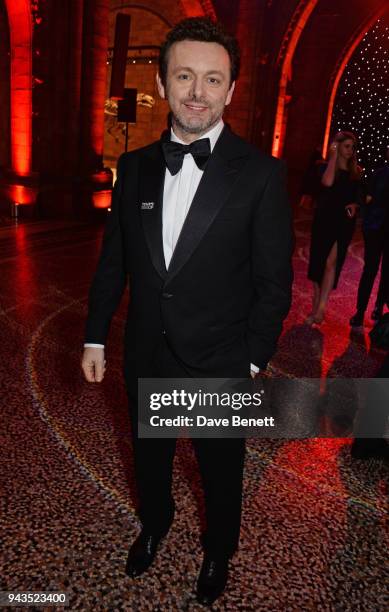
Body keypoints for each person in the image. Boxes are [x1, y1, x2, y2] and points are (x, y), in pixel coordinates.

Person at [81, 17, 293, 606]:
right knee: (150, 460)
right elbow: (113, 262)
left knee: (221, 473)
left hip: (221, 361)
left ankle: (218, 548)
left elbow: (274, 282)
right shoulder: (138, 167)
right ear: (164, 80)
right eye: (184, 76)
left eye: (212, 78)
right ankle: (155, 524)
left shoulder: (260, 174)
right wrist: (95, 337)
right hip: (147, 351)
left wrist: (251, 361)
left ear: (230, 89)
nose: (197, 91)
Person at [306, 131, 362, 325]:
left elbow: (358, 198)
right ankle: (316, 300)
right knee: (317, 263)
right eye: (346, 146)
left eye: (352, 147)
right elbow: (327, 182)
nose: (350, 150)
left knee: (331, 263)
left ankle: (321, 309)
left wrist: (356, 206)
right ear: (338, 147)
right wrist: (332, 157)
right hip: (324, 220)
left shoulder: (356, 171)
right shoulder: (325, 167)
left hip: (344, 223)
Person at [350, 146, 389, 326]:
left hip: (378, 226)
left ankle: (378, 307)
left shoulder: (379, 174)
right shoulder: (379, 174)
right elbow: (366, 198)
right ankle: (360, 310)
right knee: (370, 270)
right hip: (375, 227)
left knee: (386, 272)